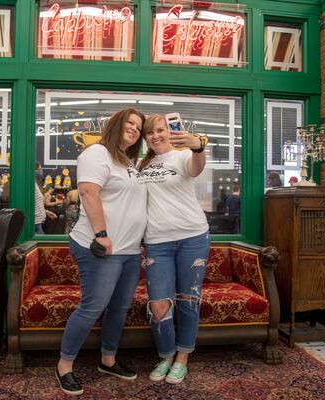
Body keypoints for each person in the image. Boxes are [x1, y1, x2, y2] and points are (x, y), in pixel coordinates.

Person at [56, 108, 147, 396]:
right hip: (100, 246)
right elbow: (88, 193)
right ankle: (64, 366)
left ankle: (108, 360)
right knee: (92, 307)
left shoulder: (129, 162)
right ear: (116, 124)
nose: (134, 129)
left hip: (130, 250)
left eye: (138, 127)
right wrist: (102, 235)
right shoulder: (97, 153)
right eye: (130, 123)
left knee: (119, 308)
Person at [137, 114, 210, 385]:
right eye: (150, 133)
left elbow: (197, 167)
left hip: (192, 237)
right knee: (158, 304)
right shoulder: (141, 165)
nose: (155, 136)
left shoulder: (181, 157)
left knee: (188, 300)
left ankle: (182, 358)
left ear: (170, 132)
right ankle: (166, 355)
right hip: (157, 241)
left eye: (160, 130)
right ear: (145, 138)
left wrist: (198, 146)